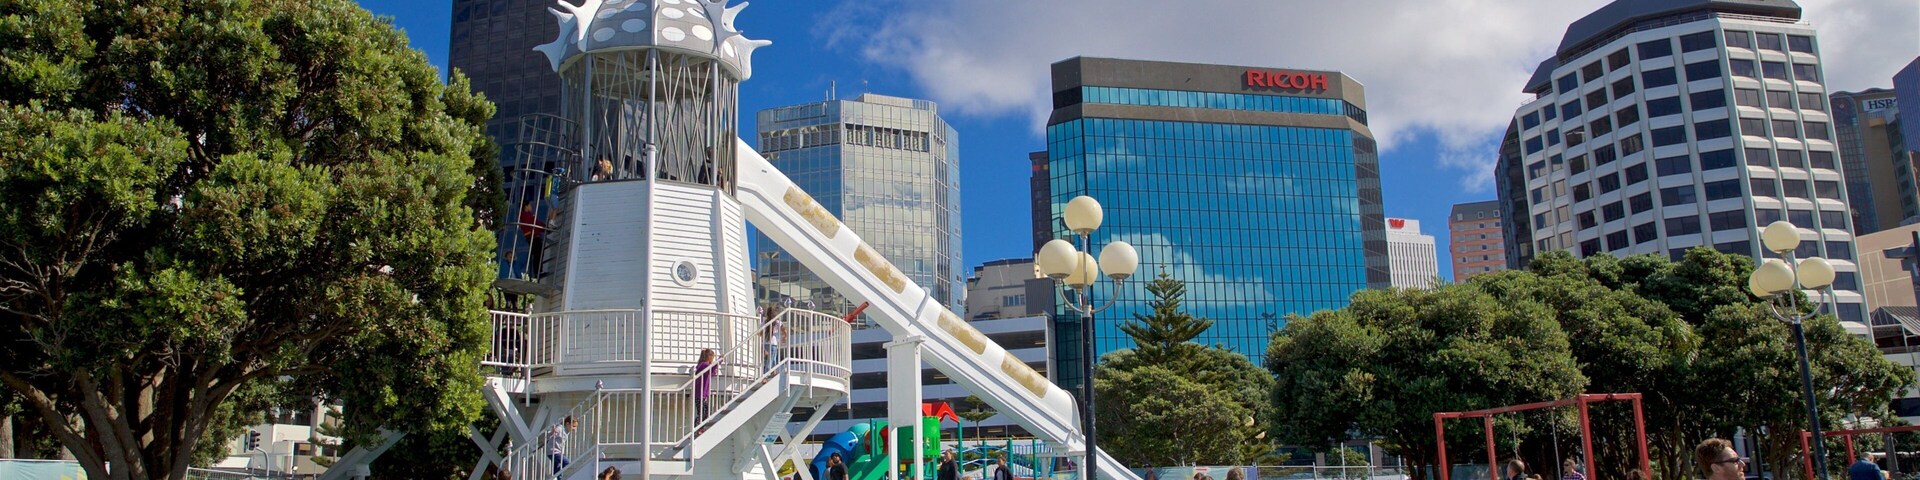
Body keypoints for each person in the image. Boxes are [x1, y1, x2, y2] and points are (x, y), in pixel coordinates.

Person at [695, 349, 718, 425]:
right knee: (702, 413)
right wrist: (719, 362)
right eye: (712, 356)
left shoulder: (704, 365)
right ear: (709, 356)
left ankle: (698, 428)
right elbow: (710, 370)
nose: (713, 358)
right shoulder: (704, 364)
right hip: (700, 393)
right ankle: (696, 428)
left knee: (706, 412)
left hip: (702, 393)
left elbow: (710, 373)